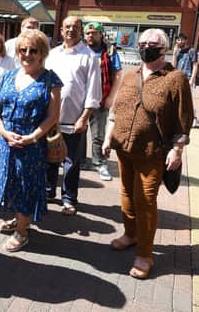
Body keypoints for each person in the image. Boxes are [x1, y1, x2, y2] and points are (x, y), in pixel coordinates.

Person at [102, 28, 193, 279]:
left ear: (164, 47)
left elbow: (183, 119)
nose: (145, 46)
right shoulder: (131, 75)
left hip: (153, 153)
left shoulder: (176, 78)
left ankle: (145, 254)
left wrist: (177, 150)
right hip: (124, 148)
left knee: (145, 202)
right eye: (141, 43)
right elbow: (116, 110)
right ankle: (130, 234)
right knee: (126, 196)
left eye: (151, 43)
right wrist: (109, 136)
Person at [0, 30, 62, 251]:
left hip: (31, 145)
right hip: (5, 142)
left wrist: (32, 137)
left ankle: (22, 231)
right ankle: (19, 219)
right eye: (22, 50)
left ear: (42, 53)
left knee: (26, 186)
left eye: (32, 50)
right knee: (9, 183)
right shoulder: (7, 76)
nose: (27, 54)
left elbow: (53, 116)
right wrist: (5, 134)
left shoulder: (50, 79)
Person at [44, 16, 101, 216]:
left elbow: (94, 92)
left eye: (75, 27)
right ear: (61, 30)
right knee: (49, 158)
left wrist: (84, 118)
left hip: (74, 120)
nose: (71, 30)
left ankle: (69, 199)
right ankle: (48, 192)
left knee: (71, 162)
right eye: (67, 27)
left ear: (81, 30)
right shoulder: (52, 54)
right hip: (50, 118)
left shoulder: (90, 56)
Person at [83, 21, 123, 181]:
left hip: (100, 99)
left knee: (98, 135)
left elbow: (118, 75)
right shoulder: (80, 51)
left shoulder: (110, 52)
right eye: (88, 33)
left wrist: (111, 97)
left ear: (101, 34)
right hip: (80, 98)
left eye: (94, 32)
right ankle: (80, 161)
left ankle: (99, 163)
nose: (91, 35)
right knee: (77, 132)